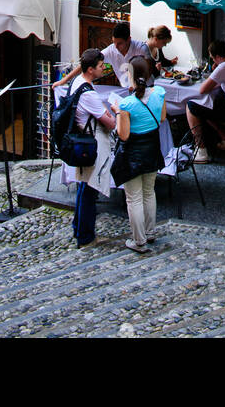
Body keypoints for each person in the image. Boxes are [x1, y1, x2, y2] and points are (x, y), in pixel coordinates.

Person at [109, 58, 166, 255]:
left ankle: (139, 240)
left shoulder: (126, 104)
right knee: (149, 192)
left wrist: (117, 112)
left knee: (134, 198)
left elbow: (123, 135)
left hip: (133, 153)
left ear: (130, 75)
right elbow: (163, 117)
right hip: (152, 149)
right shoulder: (159, 93)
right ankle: (150, 232)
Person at [68, 49, 117, 250]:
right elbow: (111, 123)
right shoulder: (88, 94)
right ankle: (86, 237)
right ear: (90, 69)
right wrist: (113, 112)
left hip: (81, 141)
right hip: (92, 143)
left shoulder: (76, 84)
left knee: (83, 187)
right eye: (100, 66)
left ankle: (79, 229)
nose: (103, 68)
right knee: (90, 190)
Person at [53, 22, 148, 92]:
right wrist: (63, 81)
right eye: (114, 42)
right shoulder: (111, 50)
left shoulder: (141, 48)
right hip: (125, 90)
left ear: (129, 40)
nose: (116, 46)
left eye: (119, 43)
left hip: (144, 89)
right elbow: (87, 63)